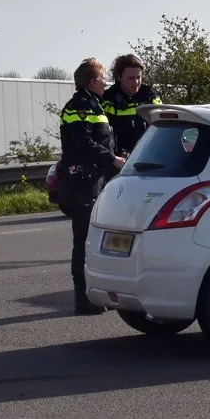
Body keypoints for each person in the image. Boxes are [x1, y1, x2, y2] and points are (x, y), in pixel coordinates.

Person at [56, 58, 123, 315]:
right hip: (83, 183)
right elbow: (83, 142)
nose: (105, 82)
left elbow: (103, 141)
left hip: (96, 181)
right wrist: (112, 159)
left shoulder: (95, 105)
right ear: (93, 81)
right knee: (83, 240)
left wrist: (117, 154)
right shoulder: (79, 107)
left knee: (95, 240)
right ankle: (83, 299)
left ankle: (96, 296)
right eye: (103, 78)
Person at [102, 54, 158, 157]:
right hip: (120, 162)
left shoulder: (150, 96)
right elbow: (103, 136)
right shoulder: (107, 101)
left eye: (138, 77)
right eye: (131, 78)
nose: (136, 82)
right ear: (119, 77)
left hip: (149, 157)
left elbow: (162, 128)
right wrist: (119, 152)